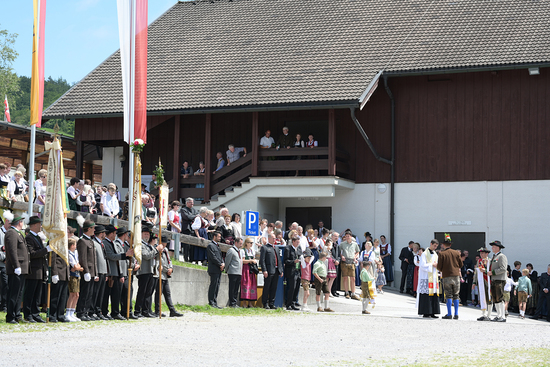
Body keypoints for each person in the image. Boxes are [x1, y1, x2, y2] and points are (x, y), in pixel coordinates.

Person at [23, 216, 51, 323]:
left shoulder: (38, 237)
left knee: (37, 294)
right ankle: (28, 314)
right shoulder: (29, 238)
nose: (41, 226)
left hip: (40, 270)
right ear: (34, 225)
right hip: (33, 271)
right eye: (39, 224)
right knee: (30, 294)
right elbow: (32, 254)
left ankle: (35, 313)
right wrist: (45, 250)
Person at [103, 224, 133, 320]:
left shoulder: (111, 243)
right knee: (107, 294)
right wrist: (125, 255)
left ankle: (115, 312)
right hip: (111, 272)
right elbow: (111, 256)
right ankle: (105, 312)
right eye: (114, 233)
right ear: (111, 233)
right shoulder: (106, 243)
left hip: (116, 272)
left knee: (117, 294)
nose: (115, 235)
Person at [4, 214, 30, 323]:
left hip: (21, 268)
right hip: (16, 268)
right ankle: (10, 316)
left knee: (19, 293)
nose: (22, 223)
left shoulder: (17, 233)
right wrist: (16, 266)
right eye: (21, 221)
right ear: (19, 222)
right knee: (14, 293)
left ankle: (17, 314)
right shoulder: (11, 233)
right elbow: (12, 251)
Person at [153, 235, 183, 317]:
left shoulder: (165, 250)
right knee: (159, 293)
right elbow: (158, 261)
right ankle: (157, 310)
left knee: (167, 293)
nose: (165, 244)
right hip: (160, 273)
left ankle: (172, 310)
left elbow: (169, 260)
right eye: (164, 243)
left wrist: (171, 268)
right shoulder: (157, 249)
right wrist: (165, 269)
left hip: (165, 274)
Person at [135, 226, 161, 318]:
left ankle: (145, 310)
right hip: (144, 270)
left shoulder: (148, 245)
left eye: (148, 234)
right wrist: (156, 249)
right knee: (142, 292)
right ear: (141, 234)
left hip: (150, 270)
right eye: (145, 234)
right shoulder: (140, 245)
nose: (147, 235)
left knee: (148, 293)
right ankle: (137, 310)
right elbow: (146, 255)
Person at [480, 240, 508, 322]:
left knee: (500, 298)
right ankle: (498, 315)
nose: (492, 248)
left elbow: (503, 268)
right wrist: (486, 270)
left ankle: (502, 316)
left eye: (494, 246)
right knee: (495, 298)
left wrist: (492, 272)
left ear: (498, 248)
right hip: (494, 279)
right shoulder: (494, 257)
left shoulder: (502, 256)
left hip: (500, 279)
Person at [436, 234, 463, 320]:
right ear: (450, 244)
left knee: (448, 295)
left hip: (446, 275)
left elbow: (439, 267)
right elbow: (461, 264)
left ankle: (449, 313)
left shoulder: (442, 254)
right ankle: (456, 313)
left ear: (443, 245)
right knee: (456, 295)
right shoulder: (456, 253)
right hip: (456, 275)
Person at [75, 220, 97, 321]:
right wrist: (86, 272)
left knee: (90, 293)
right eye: (93, 228)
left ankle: (86, 311)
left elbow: (94, 259)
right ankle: (81, 312)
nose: (94, 230)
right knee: (84, 293)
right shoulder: (82, 241)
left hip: (92, 272)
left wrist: (95, 273)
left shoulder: (90, 241)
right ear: (88, 229)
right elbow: (82, 258)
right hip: (87, 272)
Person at [417, 239, 440, 318]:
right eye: (434, 246)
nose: (435, 247)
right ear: (431, 244)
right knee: (426, 294)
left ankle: (433, 312)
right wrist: (432, 264)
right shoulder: (424, 254)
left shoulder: (435, 254)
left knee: (433, 294)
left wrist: (437, 265)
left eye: (436, 246)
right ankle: (426, 312)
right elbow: (422, 265)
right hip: (426, 277)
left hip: (433, 276)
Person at [260, 232, 283, 309]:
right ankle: (265, 303)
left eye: (275, 238)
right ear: (269, 239)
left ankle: (272, 303)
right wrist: (264, 270)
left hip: (276, 270)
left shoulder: (276, 248)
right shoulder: (265, 248)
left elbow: (279, 260)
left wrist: (281, 270)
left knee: (274, 287)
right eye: (273, 238)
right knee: (267, 287)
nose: (274, 240)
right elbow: (262, 260)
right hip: (269, 270)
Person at [91, 225, 109, 320]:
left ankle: (98, 311)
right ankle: (92, 311)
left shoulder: (101, 243)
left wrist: (106, 272)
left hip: (103, 272)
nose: (105, 234)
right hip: (98, 272)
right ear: (101, 233)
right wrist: (96, 273)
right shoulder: (94, 243)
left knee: (101, 293)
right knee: (95, 293)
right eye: (104, 233)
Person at [66, 237, 84, 322]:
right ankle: (68, 313)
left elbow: (78, 265)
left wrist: (77, 268)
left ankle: (72, 312)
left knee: (77, 295)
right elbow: (74, 266)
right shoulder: (69, 254)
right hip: (72, 275)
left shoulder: (75, 253)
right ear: (72, 245)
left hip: (77, 274)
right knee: (72, 294)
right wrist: (78, 268)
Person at [340, 230, 360, 300]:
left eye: (348, 236)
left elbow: (358, 251)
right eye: (346, 236)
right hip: (345, 261)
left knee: (353, 278)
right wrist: (341, 256)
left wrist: (355, 256)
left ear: (351, 236)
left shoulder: (355, 244)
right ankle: (346, 292)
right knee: (345, 278)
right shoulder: (342, 244)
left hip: (351, 261)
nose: (347, 237)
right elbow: (340, 251)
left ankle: (353, 293)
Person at [206, 231, 224, 309]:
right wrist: (220, 264)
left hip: (219, 269)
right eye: (218, 237)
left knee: (217, 286)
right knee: (213, 285)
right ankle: (211, 302)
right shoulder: (210, 246)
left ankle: (215, 302)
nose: (220, 238)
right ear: (214, 237)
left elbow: (220, 256)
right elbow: (213, 257)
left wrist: (223, 263)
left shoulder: (217, 246)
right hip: (213, 269)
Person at [473, 247, 492, 321]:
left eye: (483, 253)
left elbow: (491, 270)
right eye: (480, 253)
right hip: (481, 280)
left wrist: (485, 270)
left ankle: (489, 314)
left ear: (487, 253)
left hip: (488, 281)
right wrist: (474, 282)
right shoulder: (479, 261)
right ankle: (483, 313)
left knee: (489, 298)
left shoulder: (490, 261)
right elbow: (476, 272)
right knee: (482, 297)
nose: (481, 254)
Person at [284, 236, 301, 311]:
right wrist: (293, 261)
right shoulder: (288, 249)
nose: (298, 243)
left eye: (298, 242)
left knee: (296, 288)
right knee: (291, 288)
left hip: (297, 271)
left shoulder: (298, 249)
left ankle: (293, 303)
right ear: (293, 242)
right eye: (297, 242)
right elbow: (286, 260)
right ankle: (288, 304)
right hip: (291, 271)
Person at [225, 237, 243, 308]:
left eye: (242, 243)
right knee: (232, 288)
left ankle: (234, 302)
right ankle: (231, 303)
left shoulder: (240, 251)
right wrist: (227, 270)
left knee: (236, 288)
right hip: (232, 272)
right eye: (240, 243)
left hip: (239, 272)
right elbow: (227, 261)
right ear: (236, 242)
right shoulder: (231, 250)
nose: (241, 245)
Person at [240, 237, 258, 308]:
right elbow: (242, 261)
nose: (251, 244)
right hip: (245, 269)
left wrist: (253, 261)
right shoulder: (243, 251)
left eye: (252, 243)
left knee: (251, 284)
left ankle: (250, 303)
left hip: (251, 269)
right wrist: (250, 261)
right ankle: (244, 303)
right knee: (245, 284)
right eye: (250, 243)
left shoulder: (252, 251)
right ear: (246, 243)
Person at [180, 197, 198, 262]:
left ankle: (191, 259)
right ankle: (186, 259)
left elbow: (196, 216)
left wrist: (193, 216)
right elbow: (187, 217)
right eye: (191, 203)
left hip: (193, 229)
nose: (192, 204)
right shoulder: (183, 209)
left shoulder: (194, 210)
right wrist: (194, 216)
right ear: (187, 203)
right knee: (186, 245)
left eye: (193, 203)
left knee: (192, 245)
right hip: (186, 229)